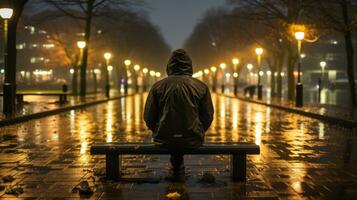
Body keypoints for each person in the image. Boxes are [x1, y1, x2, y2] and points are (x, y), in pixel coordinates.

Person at [144, 49, 214, 178]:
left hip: (164, 137)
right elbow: (208, 115)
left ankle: (176, 165)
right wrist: (197, 129)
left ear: (169, 66)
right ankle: (178, 165)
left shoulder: (157, 86)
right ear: (190, 66)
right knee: (182, 139)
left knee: (173, 139)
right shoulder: (201, 86)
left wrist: (159, 129)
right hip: (192, 137)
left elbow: (148, 116)